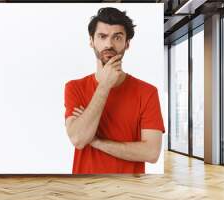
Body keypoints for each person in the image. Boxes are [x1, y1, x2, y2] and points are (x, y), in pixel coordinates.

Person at [64, 7, 165, 174]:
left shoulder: (147, 92)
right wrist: (104, 86)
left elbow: (152, 152)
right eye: (102, 36)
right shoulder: (74, 87)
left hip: (129, 192)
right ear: (91, 41)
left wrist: (96, 142)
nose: (109, 44)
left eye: (117, 37)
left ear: (127, 44)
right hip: (85, 189)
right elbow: (79, 139)